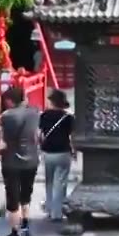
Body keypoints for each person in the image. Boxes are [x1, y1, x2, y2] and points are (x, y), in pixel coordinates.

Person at [0, 86, 41, 236]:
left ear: (9, 101)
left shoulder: (6, 116)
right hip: (31, 159)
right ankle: (25, 224)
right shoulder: (35, 113)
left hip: (11, 161)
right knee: (26, 193)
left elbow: (2, 142)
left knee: (12, 197)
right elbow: (37, 136)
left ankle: (14, 232)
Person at [39, 89, 75, 224]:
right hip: (63, 152)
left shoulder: (44, 116)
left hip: (47, 152)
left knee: (48, 181)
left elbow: (40, 134)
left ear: (52, 101)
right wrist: (75, 151)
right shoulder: (68, 118)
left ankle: (49, 208)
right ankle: (57, 212)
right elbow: (72, 137)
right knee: (60, 182)